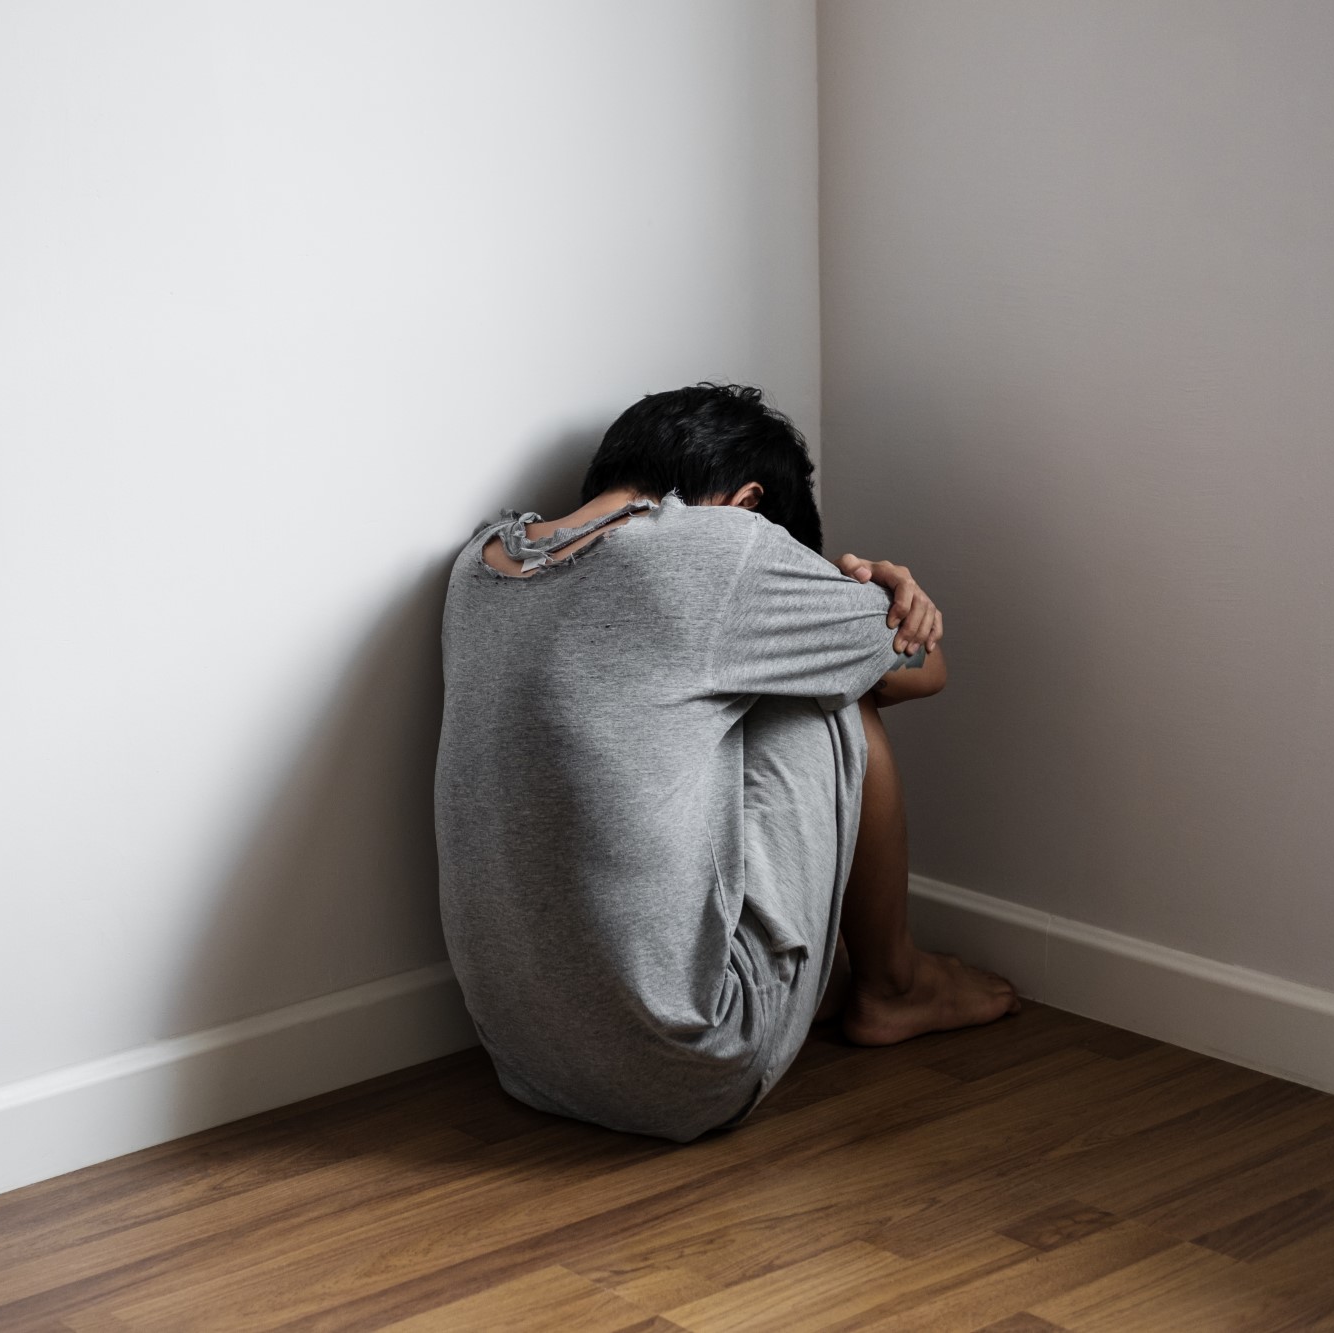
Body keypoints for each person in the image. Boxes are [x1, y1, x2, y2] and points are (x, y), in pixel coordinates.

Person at [433, 382, 1020, 1143]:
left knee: (727, 699)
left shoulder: (483, 561)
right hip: (693, 1064)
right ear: (747, 504)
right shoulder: (718, 546)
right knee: (837, 697)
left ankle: (826, 975)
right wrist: (884, 589)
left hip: (526, 1061)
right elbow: (922, 666)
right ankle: (894, 984)